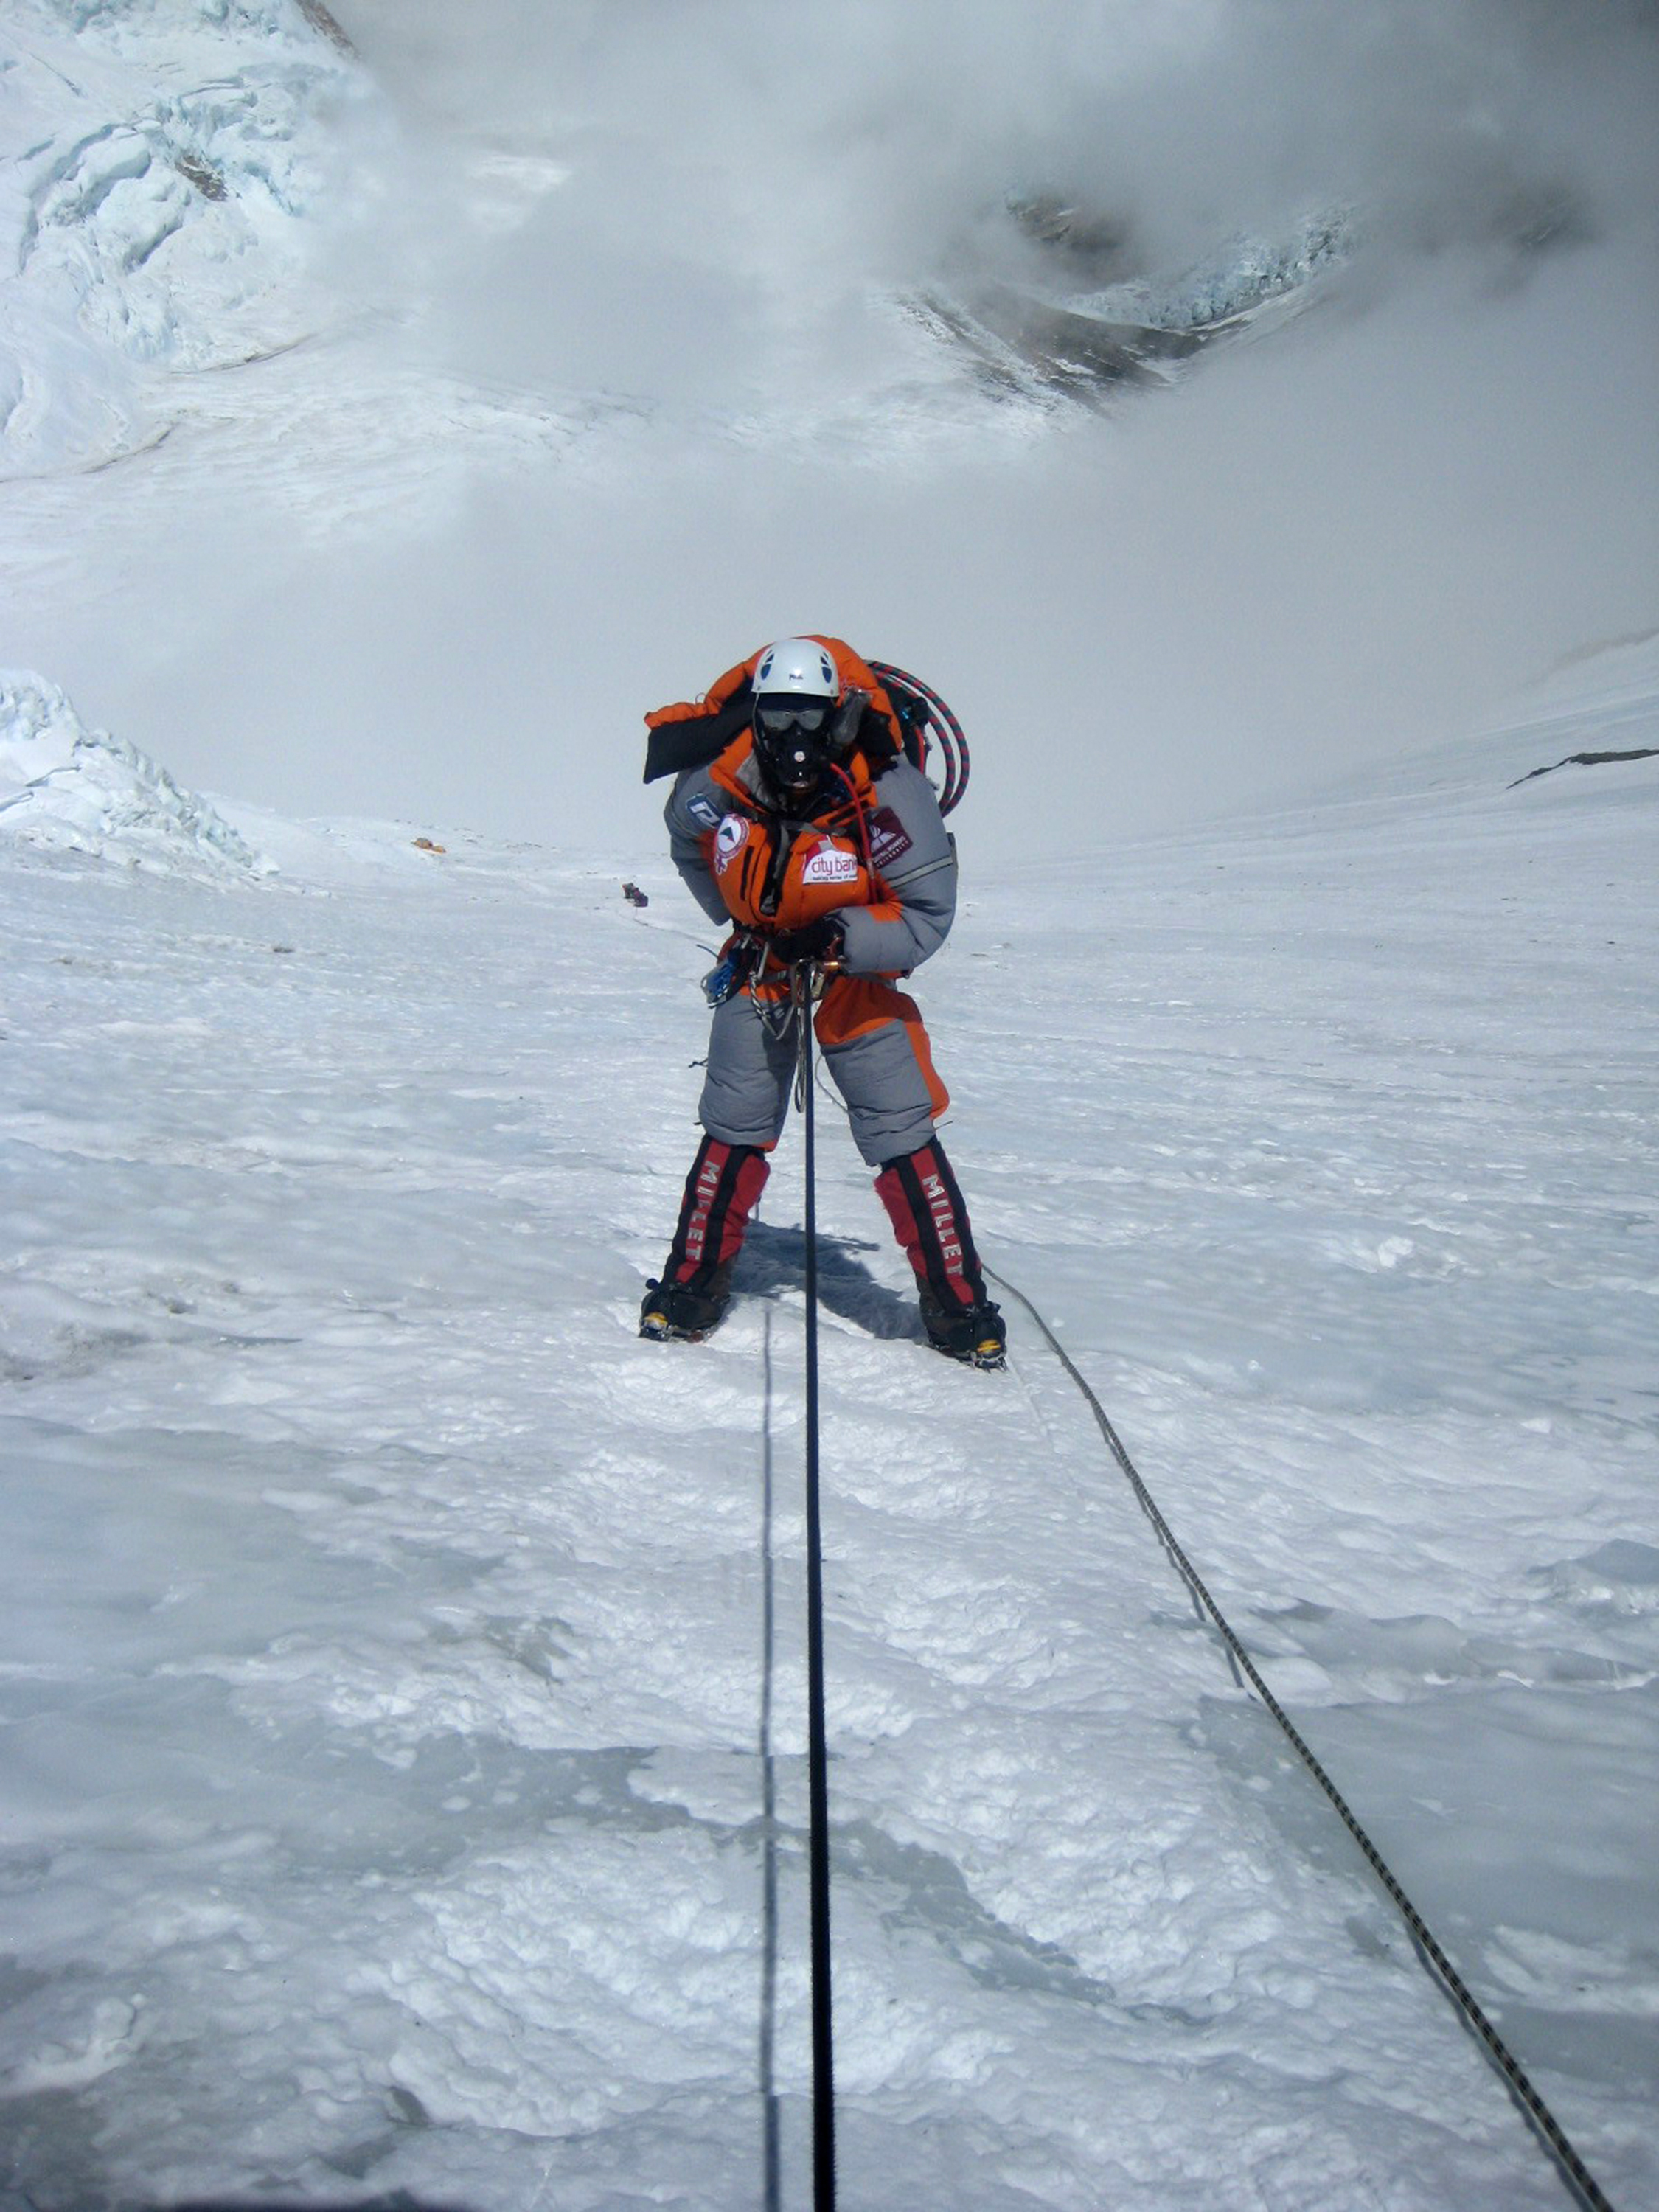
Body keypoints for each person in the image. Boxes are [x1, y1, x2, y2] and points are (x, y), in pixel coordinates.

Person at [637, 635, 1006, 1367]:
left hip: (854, 979)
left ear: (839, 716)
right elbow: (688, 840)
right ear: (756, 715)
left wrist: (843, 938)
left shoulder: (887, 789)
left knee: (900, 1131)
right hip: (762, 968)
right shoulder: (721, 778)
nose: (794, 737)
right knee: (732, 1125)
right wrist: (741, 919)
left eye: (811, 718)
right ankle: (690, 1287)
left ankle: (959, 1306)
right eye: (778, 718)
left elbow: (927, 913)